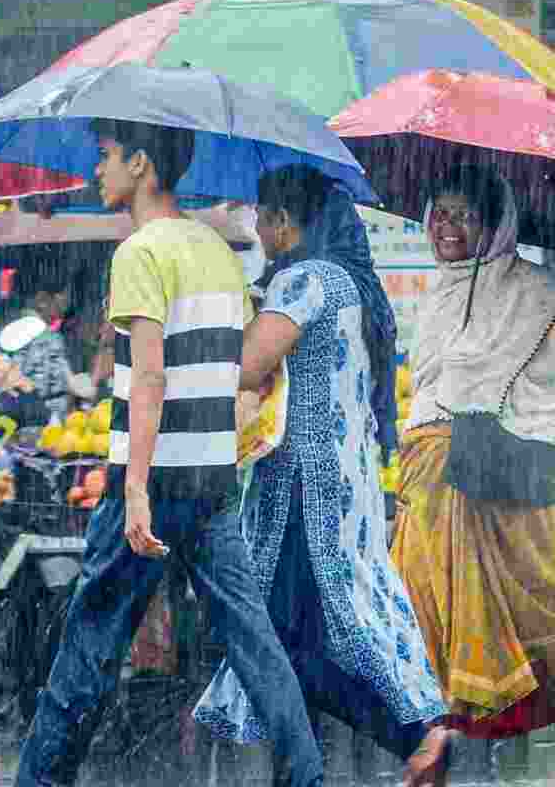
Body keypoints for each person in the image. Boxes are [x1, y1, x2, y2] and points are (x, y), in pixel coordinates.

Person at [14, 120, 325, 787]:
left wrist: (133, 489)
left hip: (151, 479)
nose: (97, 170)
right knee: (253, 641)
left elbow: (150, 377)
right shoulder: (216, 249)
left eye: (106, 156)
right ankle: (306, 775)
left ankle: (39, 780)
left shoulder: (139, 251)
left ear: (142, 165)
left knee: (89, 645)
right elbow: (239, 368)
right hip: (210, 477)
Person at [191, 165, 452, 786]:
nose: (256, 230)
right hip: (333, 481)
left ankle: (416, 736)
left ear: (284, 222)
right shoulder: (348, 282)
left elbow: (247, 365)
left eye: (261, 217)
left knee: (282, 643)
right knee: (290, 640)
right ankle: (331, 763)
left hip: (305, 490)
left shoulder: (306, 279)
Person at [388, 164, 555, 787]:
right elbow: (428, 392)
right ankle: (434, 747)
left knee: (528, 631)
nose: (448, 228)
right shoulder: (438, 295)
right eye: (440, 214)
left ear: (496, 224)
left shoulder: (536, 292)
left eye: (465, 216)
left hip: (494, 482)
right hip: (428, 481)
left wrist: (492, 415)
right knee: (424, 618)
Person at [0, 266, 73, 423]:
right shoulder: (48, 339)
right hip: (40, 427)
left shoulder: (3, 328)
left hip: (3, 424)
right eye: (64, 295)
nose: (67, 301)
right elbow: (57, 400)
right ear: (43, 300)